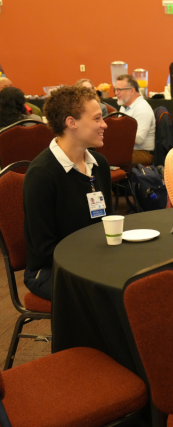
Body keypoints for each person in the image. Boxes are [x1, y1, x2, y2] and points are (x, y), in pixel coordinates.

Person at [23, 85, 112, 300]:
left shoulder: (99, 163)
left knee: (139, 281)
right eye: (97, 119)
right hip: (50, 270)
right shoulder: (42, 175)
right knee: (107, 294)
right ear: (71, 123)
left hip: (94, 260)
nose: (105, 124)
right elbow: (44, 249)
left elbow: (105, 223)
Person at [115, 74, 155, 165]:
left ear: (132, 91)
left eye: (119, 90)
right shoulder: (124, 106)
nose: (116, 93)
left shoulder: (142, 108)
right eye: (116, 89)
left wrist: (117, 130)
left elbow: (139, 139)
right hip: (130, 150)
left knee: (105, 157)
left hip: (143, 153)